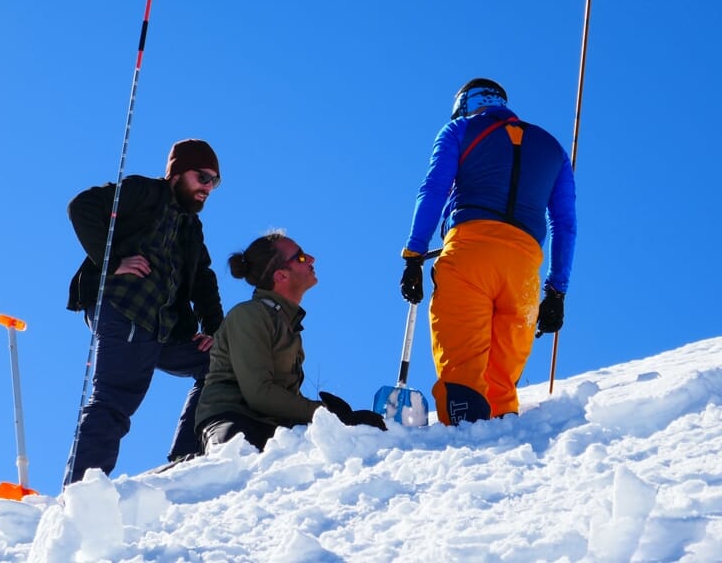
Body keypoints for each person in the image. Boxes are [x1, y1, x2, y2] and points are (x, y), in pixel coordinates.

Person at [400, 78, 577, 426]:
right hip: (524, 270)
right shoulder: (553, 149)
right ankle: (500, 457)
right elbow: (565, 224)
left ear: (464, 105)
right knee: (501, 386)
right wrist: (556, 291)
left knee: (463, 375)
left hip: (470, 253)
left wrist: (413, 254)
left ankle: (463, 458)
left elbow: (434, 189)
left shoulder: (459, 130)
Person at [65, 138, 224, 483]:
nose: (208, 187)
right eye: (202, 177)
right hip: (127, 310)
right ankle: (81, 492)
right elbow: (83, 206)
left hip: (163, 328)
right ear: (177, 173)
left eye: (215, 181)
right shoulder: (144, 192)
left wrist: (215, 332)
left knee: (220, 365)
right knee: (115, 399)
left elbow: (203, 280)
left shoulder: (191, 228)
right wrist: (113, 261)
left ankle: (188, 454)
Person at [194, 232, 386, 453]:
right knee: (233, 467)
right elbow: (260, 394)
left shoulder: (285, 322)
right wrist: (325, 413)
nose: (311, 259)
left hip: (274, 425)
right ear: (281, 276)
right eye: (301, 258)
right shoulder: (249, 315)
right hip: (235, 420)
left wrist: (345, 420)